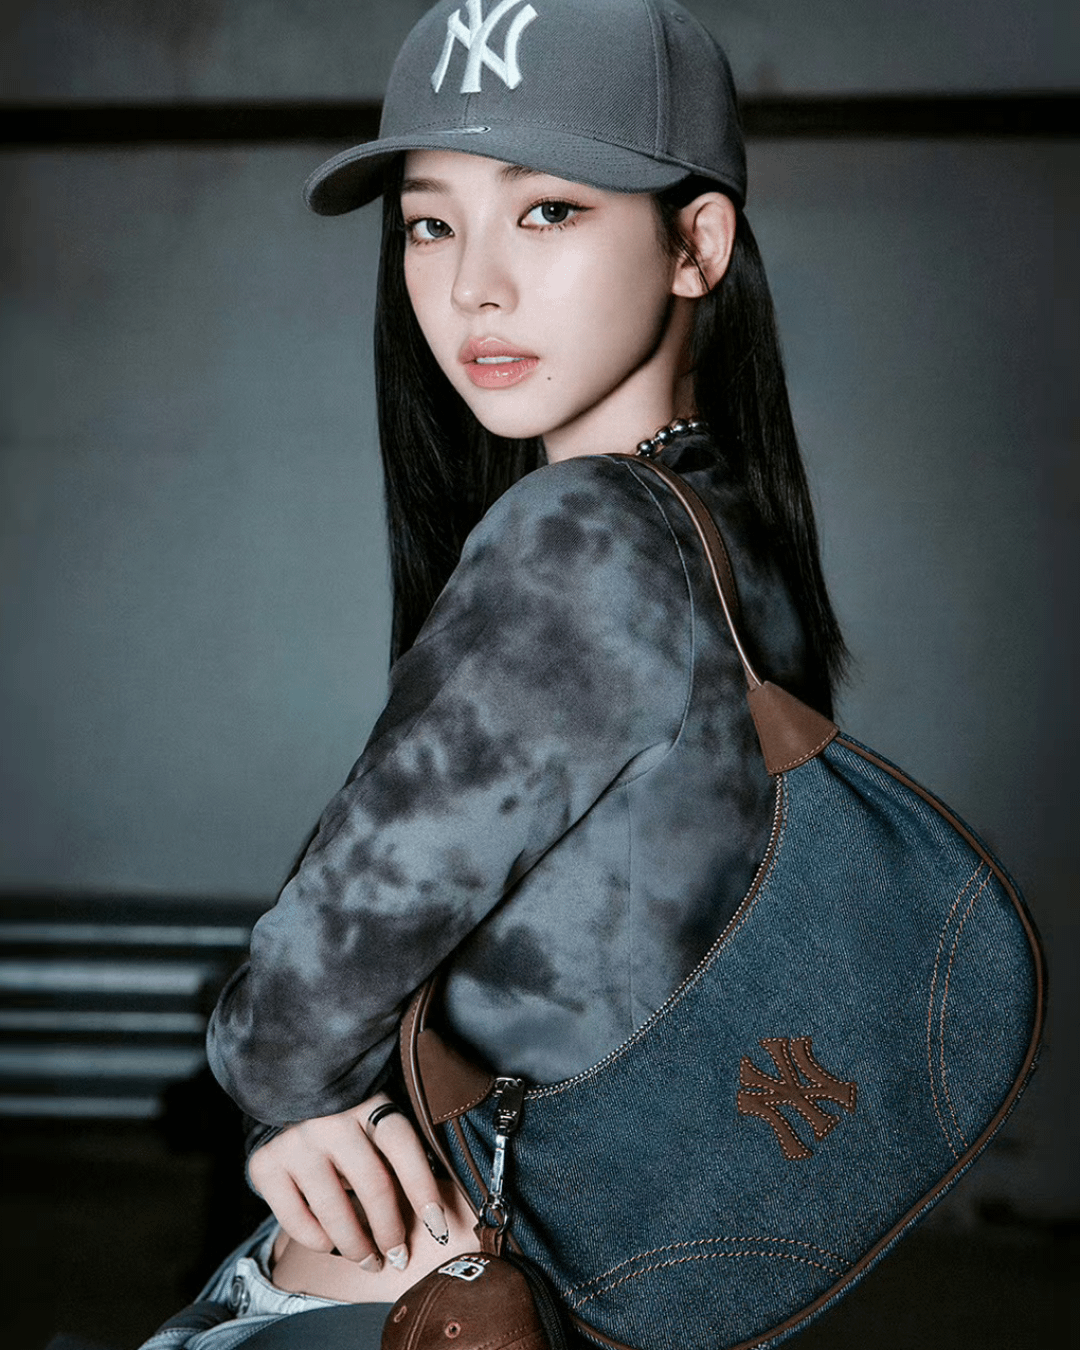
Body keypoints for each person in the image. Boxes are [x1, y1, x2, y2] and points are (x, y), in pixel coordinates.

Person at [140, 1, 847, 1345]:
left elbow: (305, 992)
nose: (473, 285)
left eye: (549, 211)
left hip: (429, 1289)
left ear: (696, 244)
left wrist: (278, 1079)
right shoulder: (725, 531)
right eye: (430, 223)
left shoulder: (580, 536)